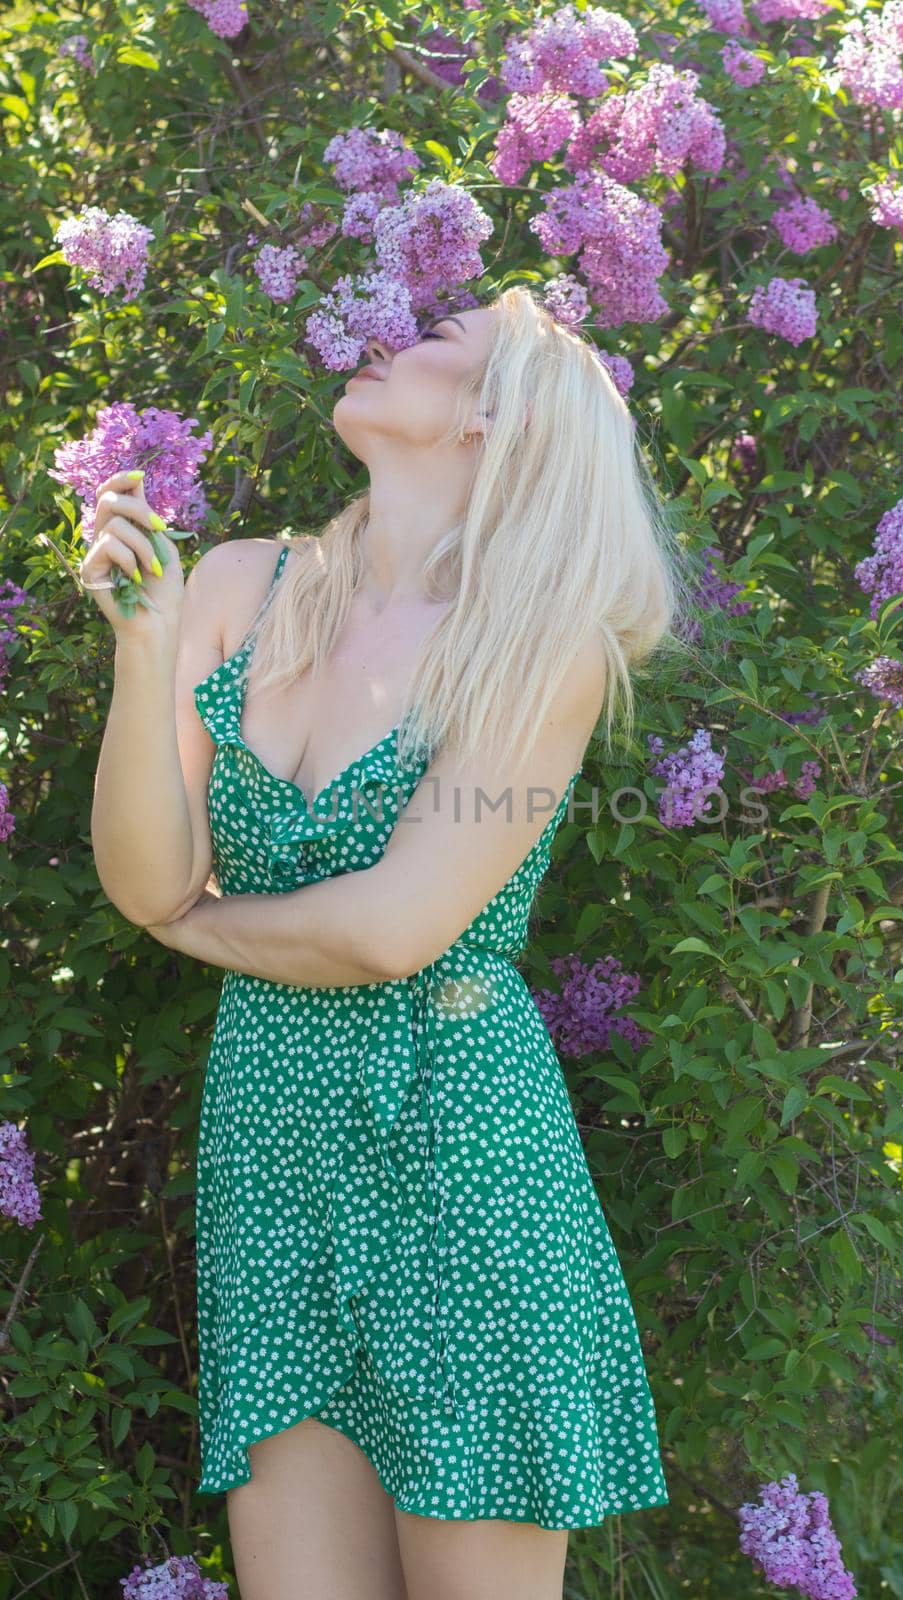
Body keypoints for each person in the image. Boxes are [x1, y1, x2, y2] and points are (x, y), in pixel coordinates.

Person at [83, 285, 687, 1600]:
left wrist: (193, 923)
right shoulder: (243, 584)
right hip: (275, 1153)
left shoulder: (541, 646)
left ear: (491, 417)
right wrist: (145, 654)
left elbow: (392, 930)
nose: (382, 341)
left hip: (465, 1166)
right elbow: (145, 874)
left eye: (434, 343)